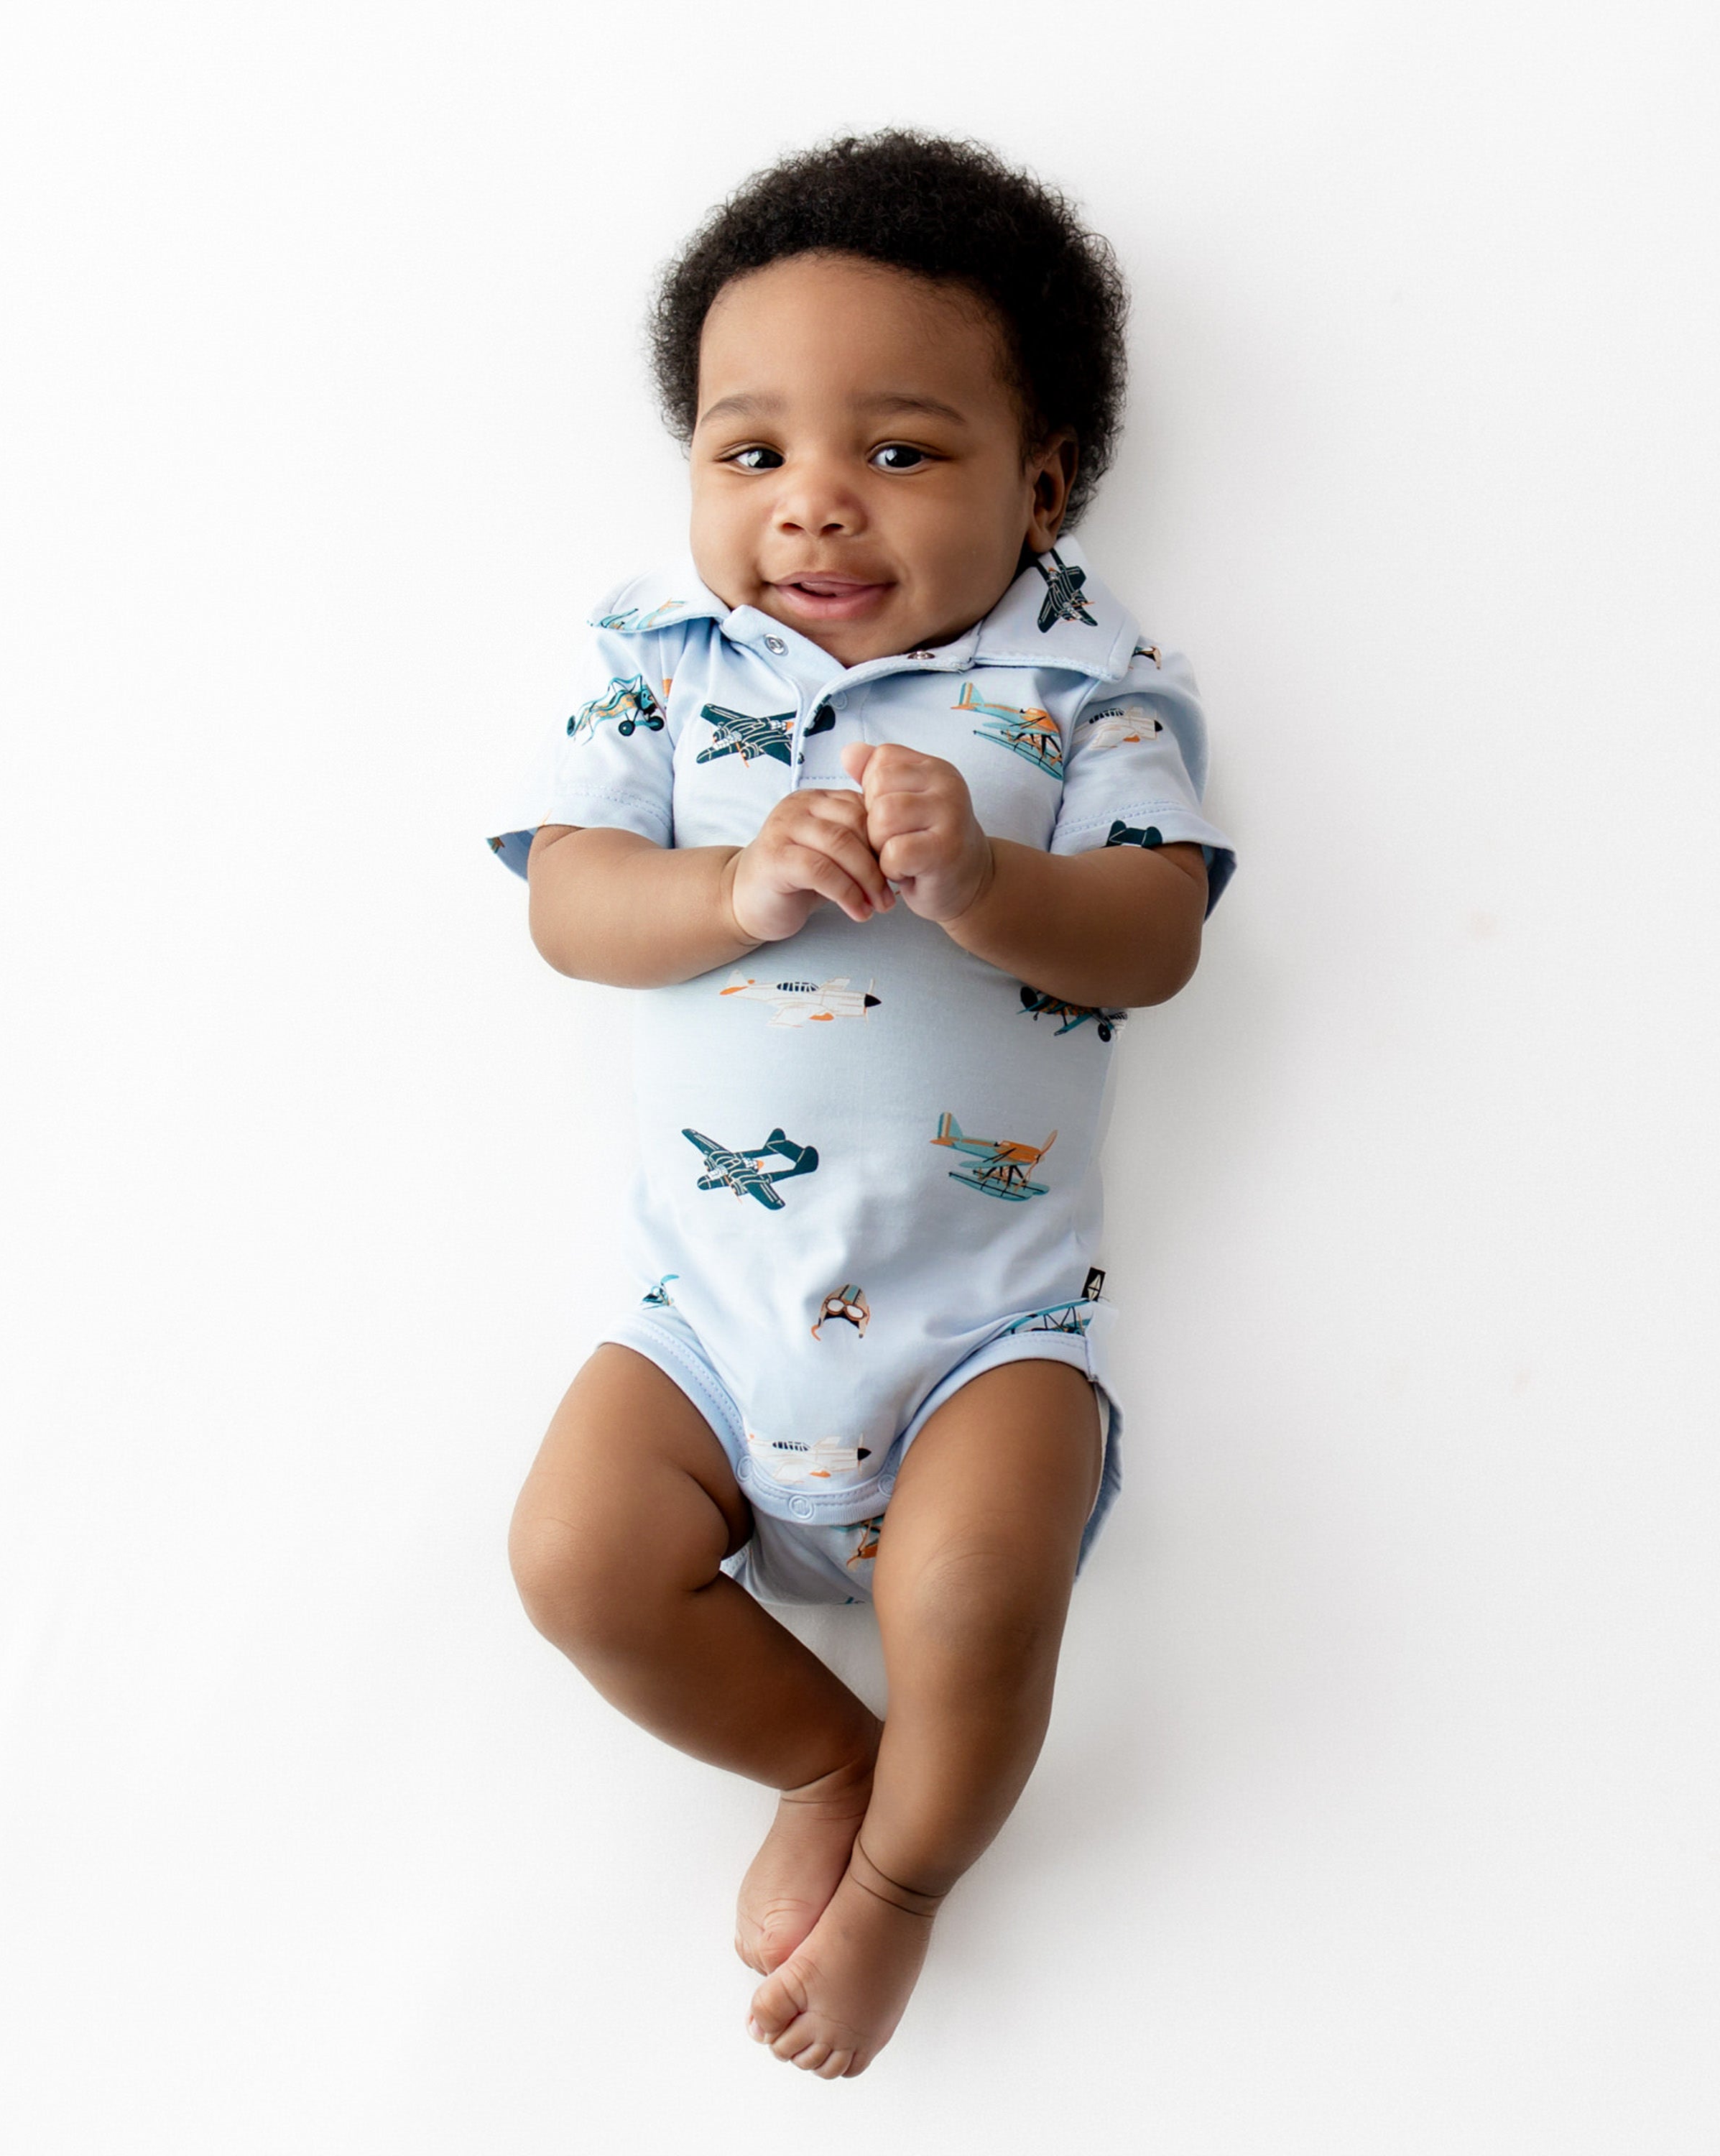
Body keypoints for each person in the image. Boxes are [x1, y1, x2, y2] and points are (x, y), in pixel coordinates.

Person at [487, 129, 1234, 2079]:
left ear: (1039, 481)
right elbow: (572, 903)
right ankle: (827, 1760)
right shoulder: (654, 659)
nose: (815, 506)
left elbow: (1153, 937)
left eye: (899, 452)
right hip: (710, 1331)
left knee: (979, 1596)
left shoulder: (1090, 687)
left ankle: (903, 1888)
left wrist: (989, 879)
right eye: (753, 454)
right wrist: (728, 889)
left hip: (987, 1331)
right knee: (575, 1559)